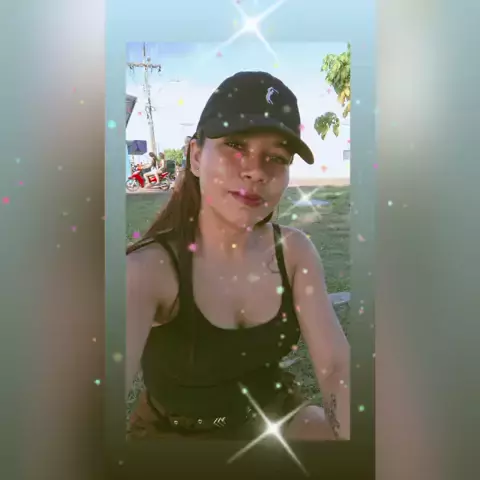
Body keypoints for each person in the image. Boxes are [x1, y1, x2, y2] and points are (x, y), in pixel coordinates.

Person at [126, 71, 350, 441]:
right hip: (173, 434)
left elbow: (336, 367)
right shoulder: (148, 270)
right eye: (235, 145)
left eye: (276, 157)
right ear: (196, 157)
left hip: (273, 420)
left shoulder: (294, 252)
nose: (256, 171)